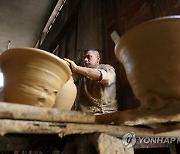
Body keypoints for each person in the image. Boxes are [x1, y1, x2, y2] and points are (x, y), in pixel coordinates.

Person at [64, 49, 118, 115]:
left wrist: (76, 68)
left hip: (104, 113)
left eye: (89, 57)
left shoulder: (107, 68)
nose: (85, 60)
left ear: (98, 59)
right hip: (83, 114)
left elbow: (102, 77)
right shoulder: (82, 74)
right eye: (84, 58)